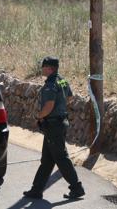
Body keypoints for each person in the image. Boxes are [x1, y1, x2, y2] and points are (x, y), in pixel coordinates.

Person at [23, 56, 85, 200]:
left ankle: (76, 188)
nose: (42, 69)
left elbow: (49, 105)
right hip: (59, 122)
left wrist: (39, 116)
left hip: (53, 125)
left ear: (49, 68)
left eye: (43, 66)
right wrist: (60, 107)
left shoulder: (51, 84)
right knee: (47, 159)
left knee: (61, 158)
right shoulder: (62, 80)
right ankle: (36, 190)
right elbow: (69, 97)